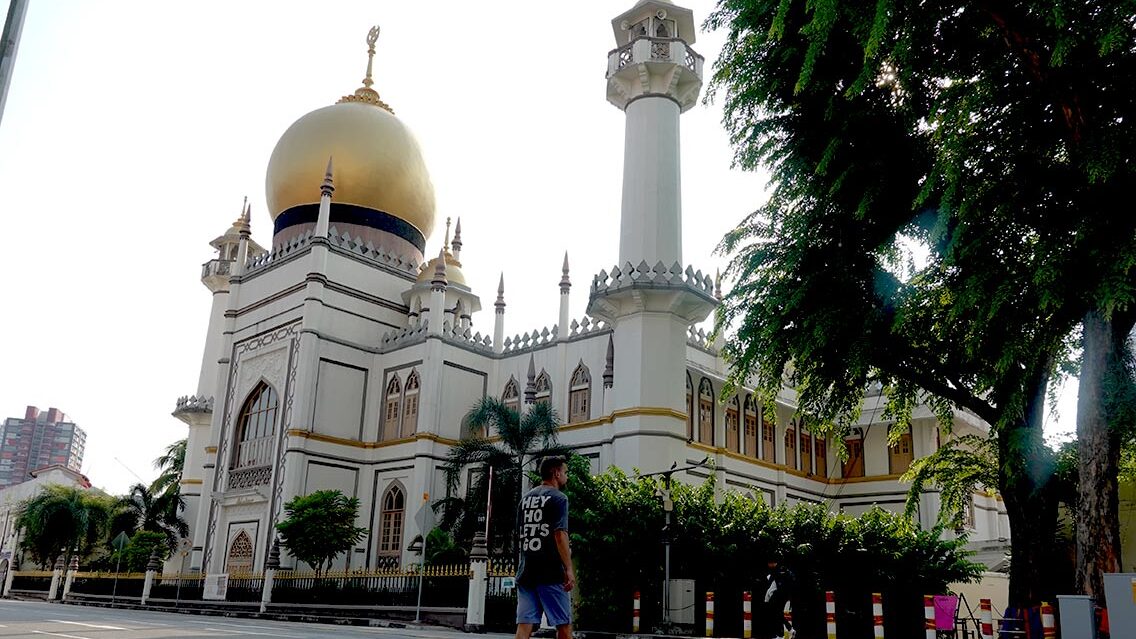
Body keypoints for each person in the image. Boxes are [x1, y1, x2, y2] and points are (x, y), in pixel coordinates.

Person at [515, 456, 574, 639]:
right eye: (565, 472)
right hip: (550, 573)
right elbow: (560, 535)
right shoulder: (559, 499)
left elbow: (520, 534)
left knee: (524, 626)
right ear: (556, 473)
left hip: (526, 573)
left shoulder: (525, 500)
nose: (566, 476)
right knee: (564, 625)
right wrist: (568, 568)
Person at [755, 552, 794, 639]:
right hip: (784, 595)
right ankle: (786, 631)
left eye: (769, 563)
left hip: (777, 595)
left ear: (772, 563)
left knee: (775, 613)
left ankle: (782, 633)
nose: (768, 565)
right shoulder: (784, 570)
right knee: (777, 614)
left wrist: (767, 599)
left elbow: (771, 587)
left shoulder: (776, 571)